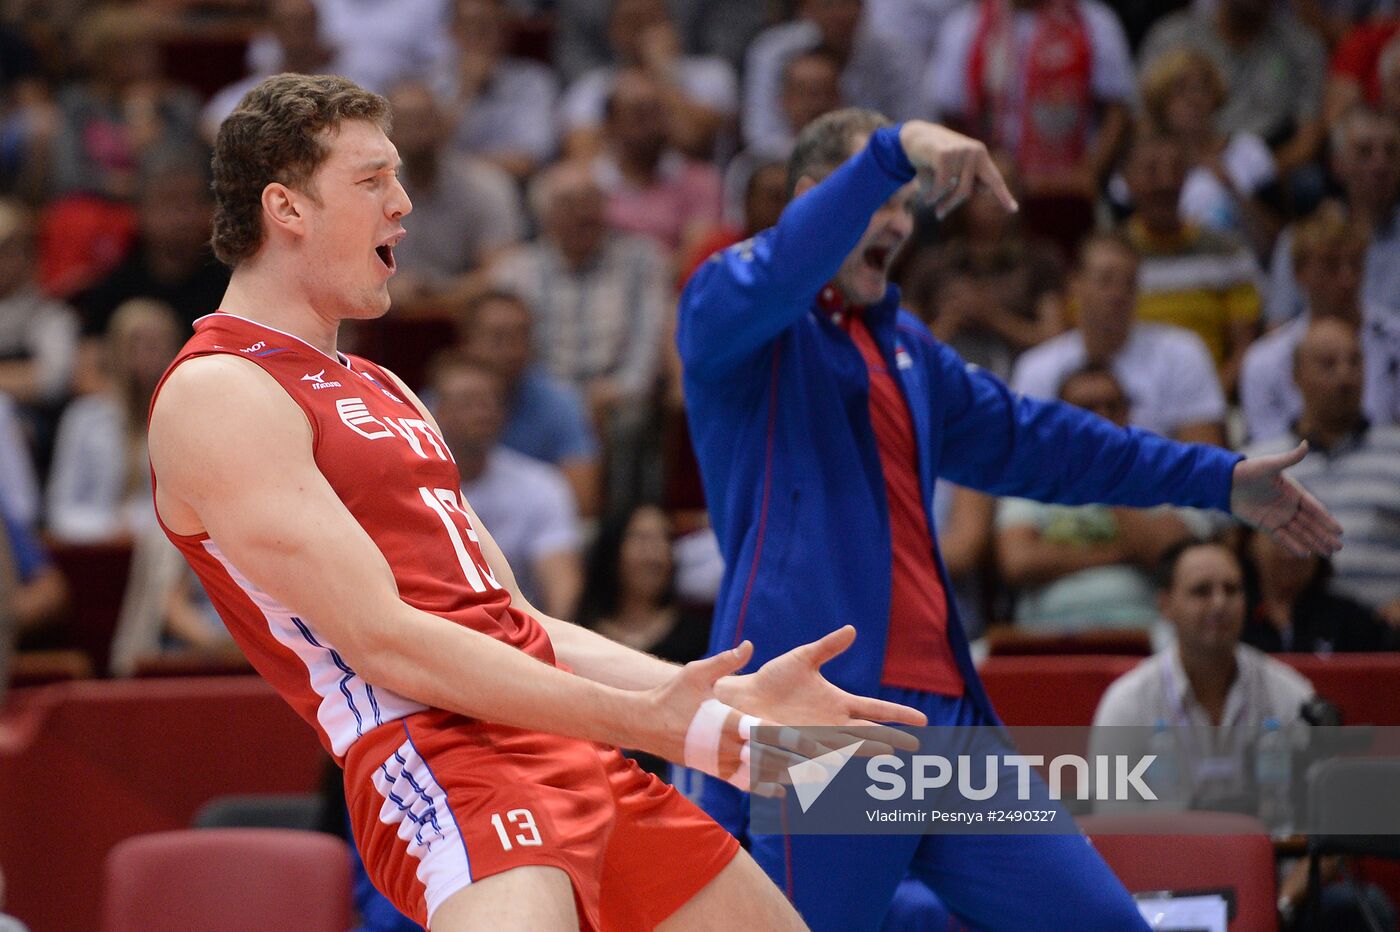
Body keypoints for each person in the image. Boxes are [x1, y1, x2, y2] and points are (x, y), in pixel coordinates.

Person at [147, 73, 925, 931]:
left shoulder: (383, 386)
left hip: (561, 740)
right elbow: (385, 642)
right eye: (372, 181)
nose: (402, 205)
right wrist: (662, 726)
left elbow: (520, 621)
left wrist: (715, 700)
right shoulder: (220, 391)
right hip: (442, 755)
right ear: (285, 208)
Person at [676, 106, 1342, 932]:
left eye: (906, 202)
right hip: (828, 718)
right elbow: (785, 266)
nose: (897, 218)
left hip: (949, 723)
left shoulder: (906, 348)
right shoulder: (730, 312)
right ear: (815, 197)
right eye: (879, 196)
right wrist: (895, 150)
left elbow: (1050, 443)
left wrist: (1218, 478)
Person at [1090, 539, 1316, 812]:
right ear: (1165, 605)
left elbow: (1318, 814)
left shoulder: (1290, 693)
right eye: (1202, 591)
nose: (1220, 603)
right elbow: (1113, 825)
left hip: (1271, 854)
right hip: (1163, 855)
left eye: (1231, 590)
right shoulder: (1127, 703)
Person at [996, 365, 1220, 635]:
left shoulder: (1157, 473)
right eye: (1087, 408)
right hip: (1047, 632)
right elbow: (1018, 563)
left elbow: (1173, 555)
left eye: (1112, 406)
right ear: (1060, 418)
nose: (1102, 417)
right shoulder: (1033, 476)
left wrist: (1107, 475)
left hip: (1144, 628)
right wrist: (1122, 552)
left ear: (1127, 413)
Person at [1244, 317, 1400, 623]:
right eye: (1328, 364)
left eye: (1354, 362)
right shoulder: (1258, 462)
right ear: (1296, 376)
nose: (1345, 376)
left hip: (1387, 640)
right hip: (1286, 638)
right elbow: (1222, 547)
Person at [1011, 232, 1229, 446]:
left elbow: (1203, 460)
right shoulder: (1035, 369)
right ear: (1075, 284)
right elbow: (1022, 461)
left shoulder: (1182, 353)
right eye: (1106, 280)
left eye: (1129, 283)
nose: (1118, 293)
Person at [430, 355, 584, 619]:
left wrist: (553, 649)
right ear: (437, 412)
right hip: (432, 629)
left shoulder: (541, 485)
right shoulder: (409, 484)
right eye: (468, 402)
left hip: (520, 631)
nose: (483, 412)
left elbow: (563, 583)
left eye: (491, 401)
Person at [1239, 201, 1400, 444]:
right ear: (1299, 273)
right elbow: (1267, 449)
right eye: (1331, 265)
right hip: (1299, 475)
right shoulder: (1264, 360)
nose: (1347, 279)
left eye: (1355, 264)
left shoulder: (1396, 340)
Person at [1118, 130, 1261, 397]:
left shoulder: (1226, 252)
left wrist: (1206, 402)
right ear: (1127, 180)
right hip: (1123, 404)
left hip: (1211, 399)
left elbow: (1245, 346)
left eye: (1175, 170)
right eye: (1151, 170)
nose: (1165, 182)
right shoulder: (1109, 253)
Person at [453, 289, 601, 518]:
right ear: (468, 342)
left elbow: (581, 503)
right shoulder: (432, 405)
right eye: (498, 337)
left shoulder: (561, 404)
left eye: (521, 336)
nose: (512, 350)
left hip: (537, 536)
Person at [47, 299, 181, 543]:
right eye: (136, 344)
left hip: (165, 548)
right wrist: (111, 528)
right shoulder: (84, 417)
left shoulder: (183, 420)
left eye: (157, 345)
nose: (146, 357)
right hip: (95, 548)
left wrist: (139, 525)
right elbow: (59, 509)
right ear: (115, 351)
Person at [1242, 527, 1398, 654]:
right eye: (1279, 538)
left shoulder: (1348, 619)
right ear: (1250, 543)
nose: (1291, 553)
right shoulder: (1231, 612)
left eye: (1304, 539)